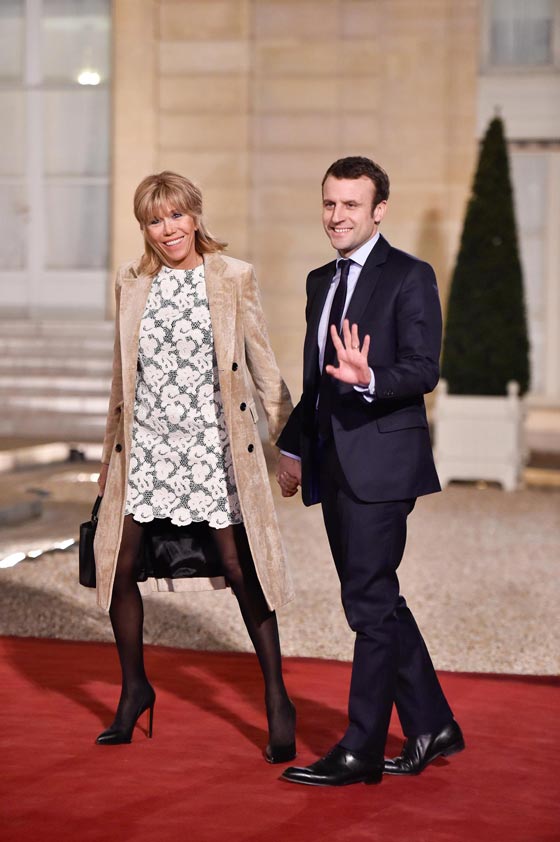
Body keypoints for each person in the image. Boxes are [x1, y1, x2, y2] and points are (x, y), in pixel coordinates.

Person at [93, 171, 296, 764]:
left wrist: (291, 445)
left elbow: (263, 366)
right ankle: (134, 689)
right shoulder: (132, 282)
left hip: (212, 447)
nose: (168, 230)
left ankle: (278, 699)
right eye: (155, 220)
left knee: (240, 566)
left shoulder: (233, 277)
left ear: (196, 214)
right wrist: (108, 461)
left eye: (176, 216)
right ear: (144, 228)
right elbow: (121, 381)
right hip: (147, 450)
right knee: (117, 566)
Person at [276, 156, 464, 786]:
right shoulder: (318, 281)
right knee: (376, 597)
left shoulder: (410, 275)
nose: (338, 216)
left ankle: (360, 748)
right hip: (333, 464)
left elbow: (424, 368)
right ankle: (432, 724)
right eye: (330, 203)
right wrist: (294, 448)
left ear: (379, 210)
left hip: (382, 464)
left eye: (351, 204)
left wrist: (370, 377)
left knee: (367, 603)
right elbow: (315, 383)